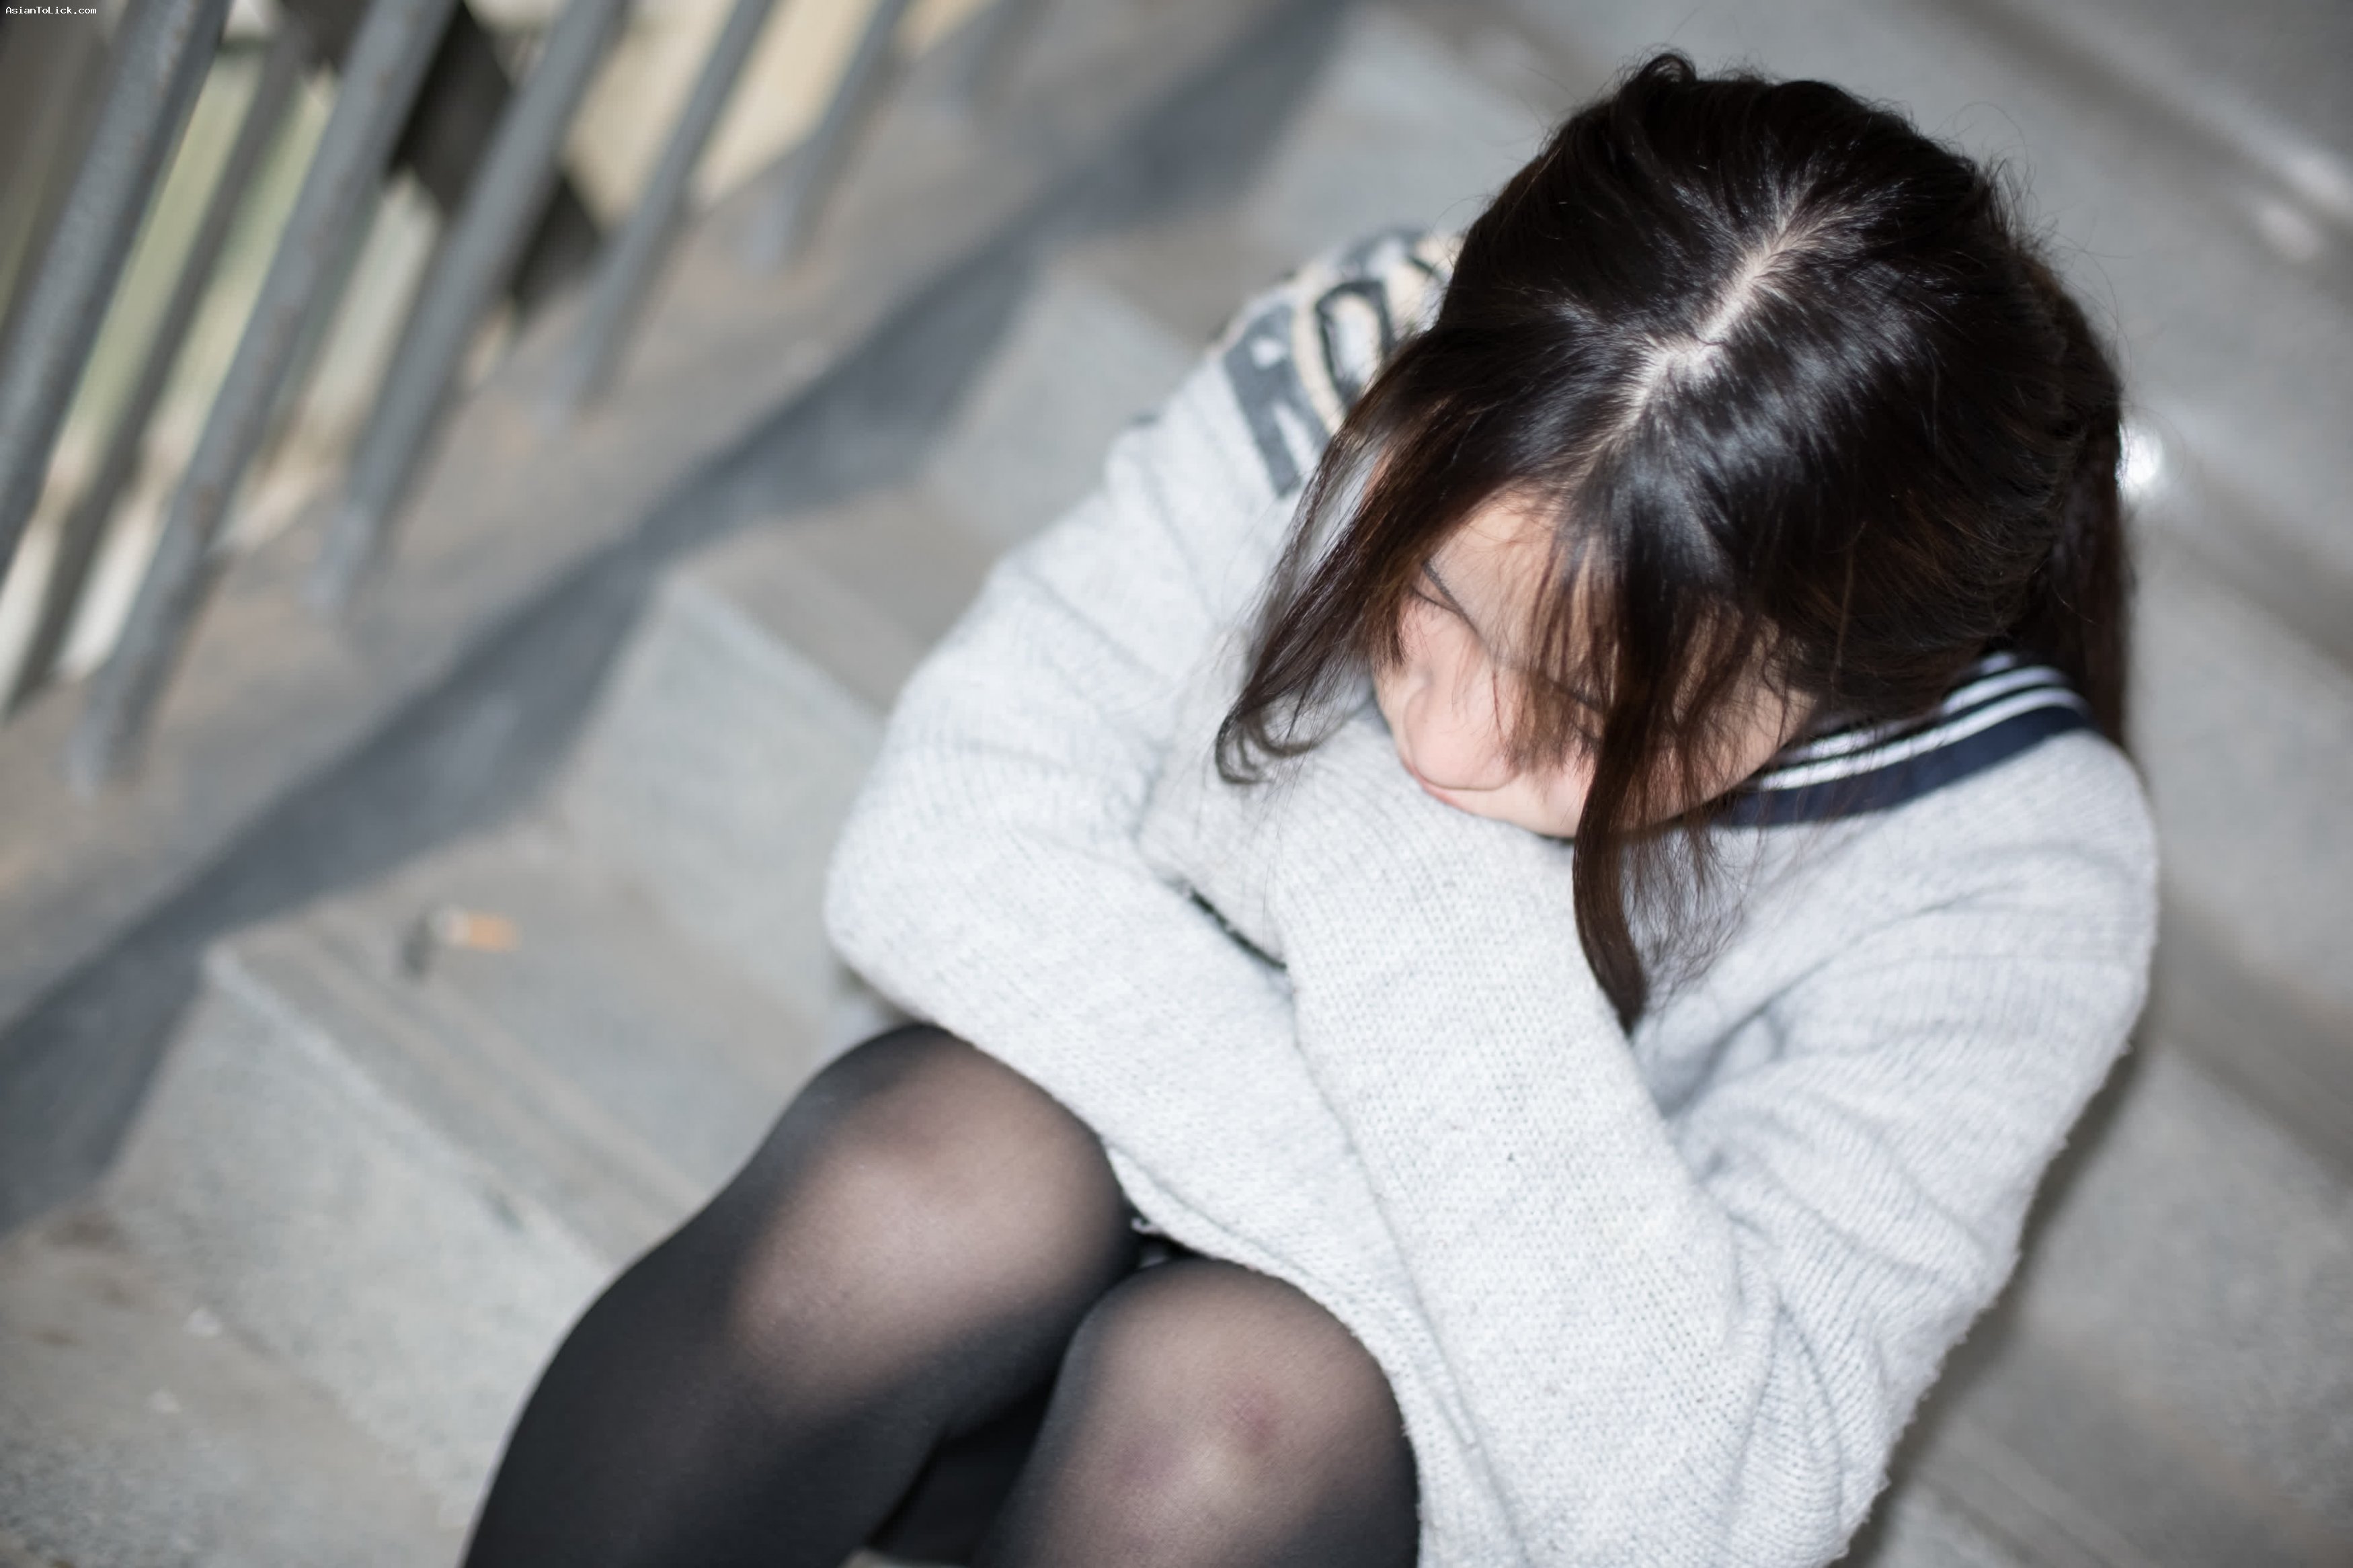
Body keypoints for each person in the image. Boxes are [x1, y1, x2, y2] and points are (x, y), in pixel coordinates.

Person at [463, 52, 2157, 1568]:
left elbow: (1708, 1511)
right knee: (919, 1197)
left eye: (1583, 716)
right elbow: (934, 845)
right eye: (1428, 597)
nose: (1444, 741)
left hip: (1352, 1502)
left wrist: (1392, 872)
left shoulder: (2006, 867)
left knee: (1230, 1416)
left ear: (1847, 682)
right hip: (1028, 1333)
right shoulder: (1363, 364)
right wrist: (1457, 1266)